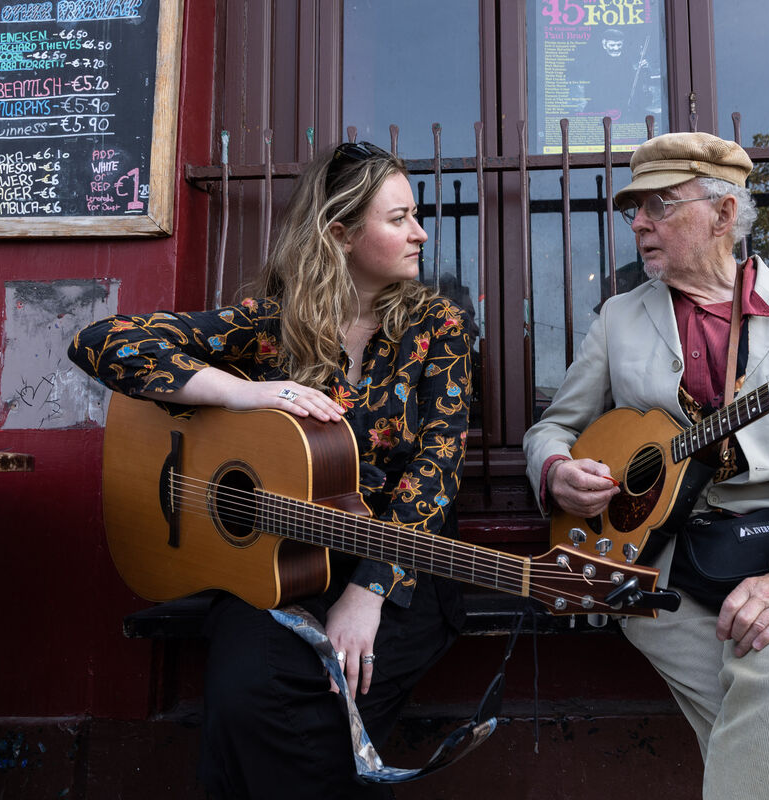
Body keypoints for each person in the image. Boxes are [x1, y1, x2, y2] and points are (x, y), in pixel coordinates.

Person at [68, 142, 472, 799]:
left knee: (332, 707)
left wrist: (367, 593)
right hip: (274, 562)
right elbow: (99, 342)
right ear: (339, 233)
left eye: (415, 216)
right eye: (399, 219)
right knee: (244, 696)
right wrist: (242, 392)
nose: (419, 233)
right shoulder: (270, 327)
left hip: (400, 566)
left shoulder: (439, 326)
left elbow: (437, 468)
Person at [522, 131, 769, 800]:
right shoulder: (619, 318)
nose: (638, 223)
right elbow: (554, 427)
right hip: (652, 557)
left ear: (723, 214)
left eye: (659, 205)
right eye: (634, 209)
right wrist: (557, 470)